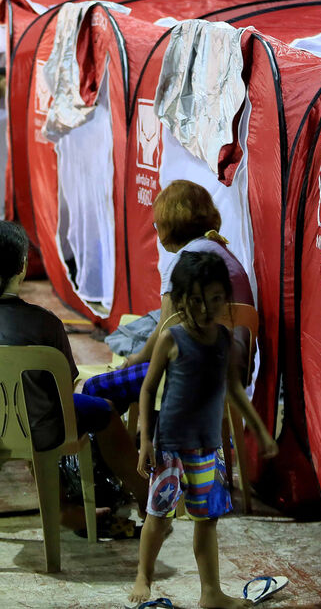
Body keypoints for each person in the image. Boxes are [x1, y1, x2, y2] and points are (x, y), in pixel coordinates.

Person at [0, 221, 149, 525]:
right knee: (101, 412)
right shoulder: (46, 323)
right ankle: (147, 499)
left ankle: (63, 507)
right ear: (23, 266)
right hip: (45, 431)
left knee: (31, 411)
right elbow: (65, 387)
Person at [129, 252, 278, 609]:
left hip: (208, 447)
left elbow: (234, 390)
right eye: (195, 300)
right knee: (158, 515)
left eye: (214, 299)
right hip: (170, 447)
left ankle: (210, 592)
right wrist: (145, 440)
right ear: (180, 300)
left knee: (207, 521)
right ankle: (143, 575)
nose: (205, 309)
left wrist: (260, 431)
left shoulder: (225, 340)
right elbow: (148, 388)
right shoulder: (172, 338)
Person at [82, 180, 255, 414]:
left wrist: (135, 359)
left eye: (157, 223)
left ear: (168, 223)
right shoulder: (219, 250)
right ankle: (132, 442)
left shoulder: (186, 260)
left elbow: (165, 329)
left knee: (96, 387)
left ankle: (106, 448)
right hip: (233, 370)